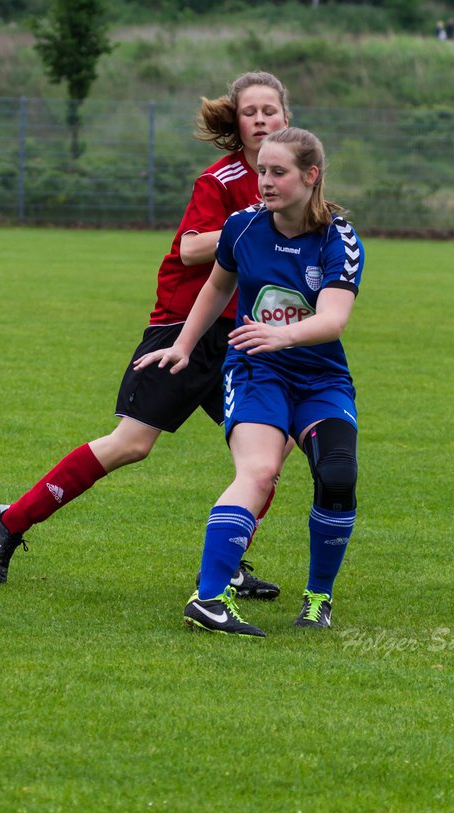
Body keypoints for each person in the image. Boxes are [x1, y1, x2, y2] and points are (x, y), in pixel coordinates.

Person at [0, 71, 293, 597]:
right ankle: (9, 521)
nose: (261, 119)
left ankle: (228, 564)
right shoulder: (219, 182)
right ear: (236, 125)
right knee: (131, 443)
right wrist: (257, 217)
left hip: (239, 336)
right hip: (183, 327)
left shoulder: (285, 182)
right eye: (250, 112)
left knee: (269, 452)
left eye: (271, 110)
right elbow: (191, 248)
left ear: (287, 118)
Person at [134, 127, 364, 637]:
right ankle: (209, 599)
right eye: (261, 169)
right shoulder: (241, 228)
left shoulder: (338, 239)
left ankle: (317, 598)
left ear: (311, 176)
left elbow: (333, 320)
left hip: (321, 378)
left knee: (338, 476)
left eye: (278, 172)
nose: (265, 181)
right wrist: (183, 346)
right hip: (257, 371)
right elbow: (217, 288)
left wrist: (283, 336)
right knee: (258, 472)